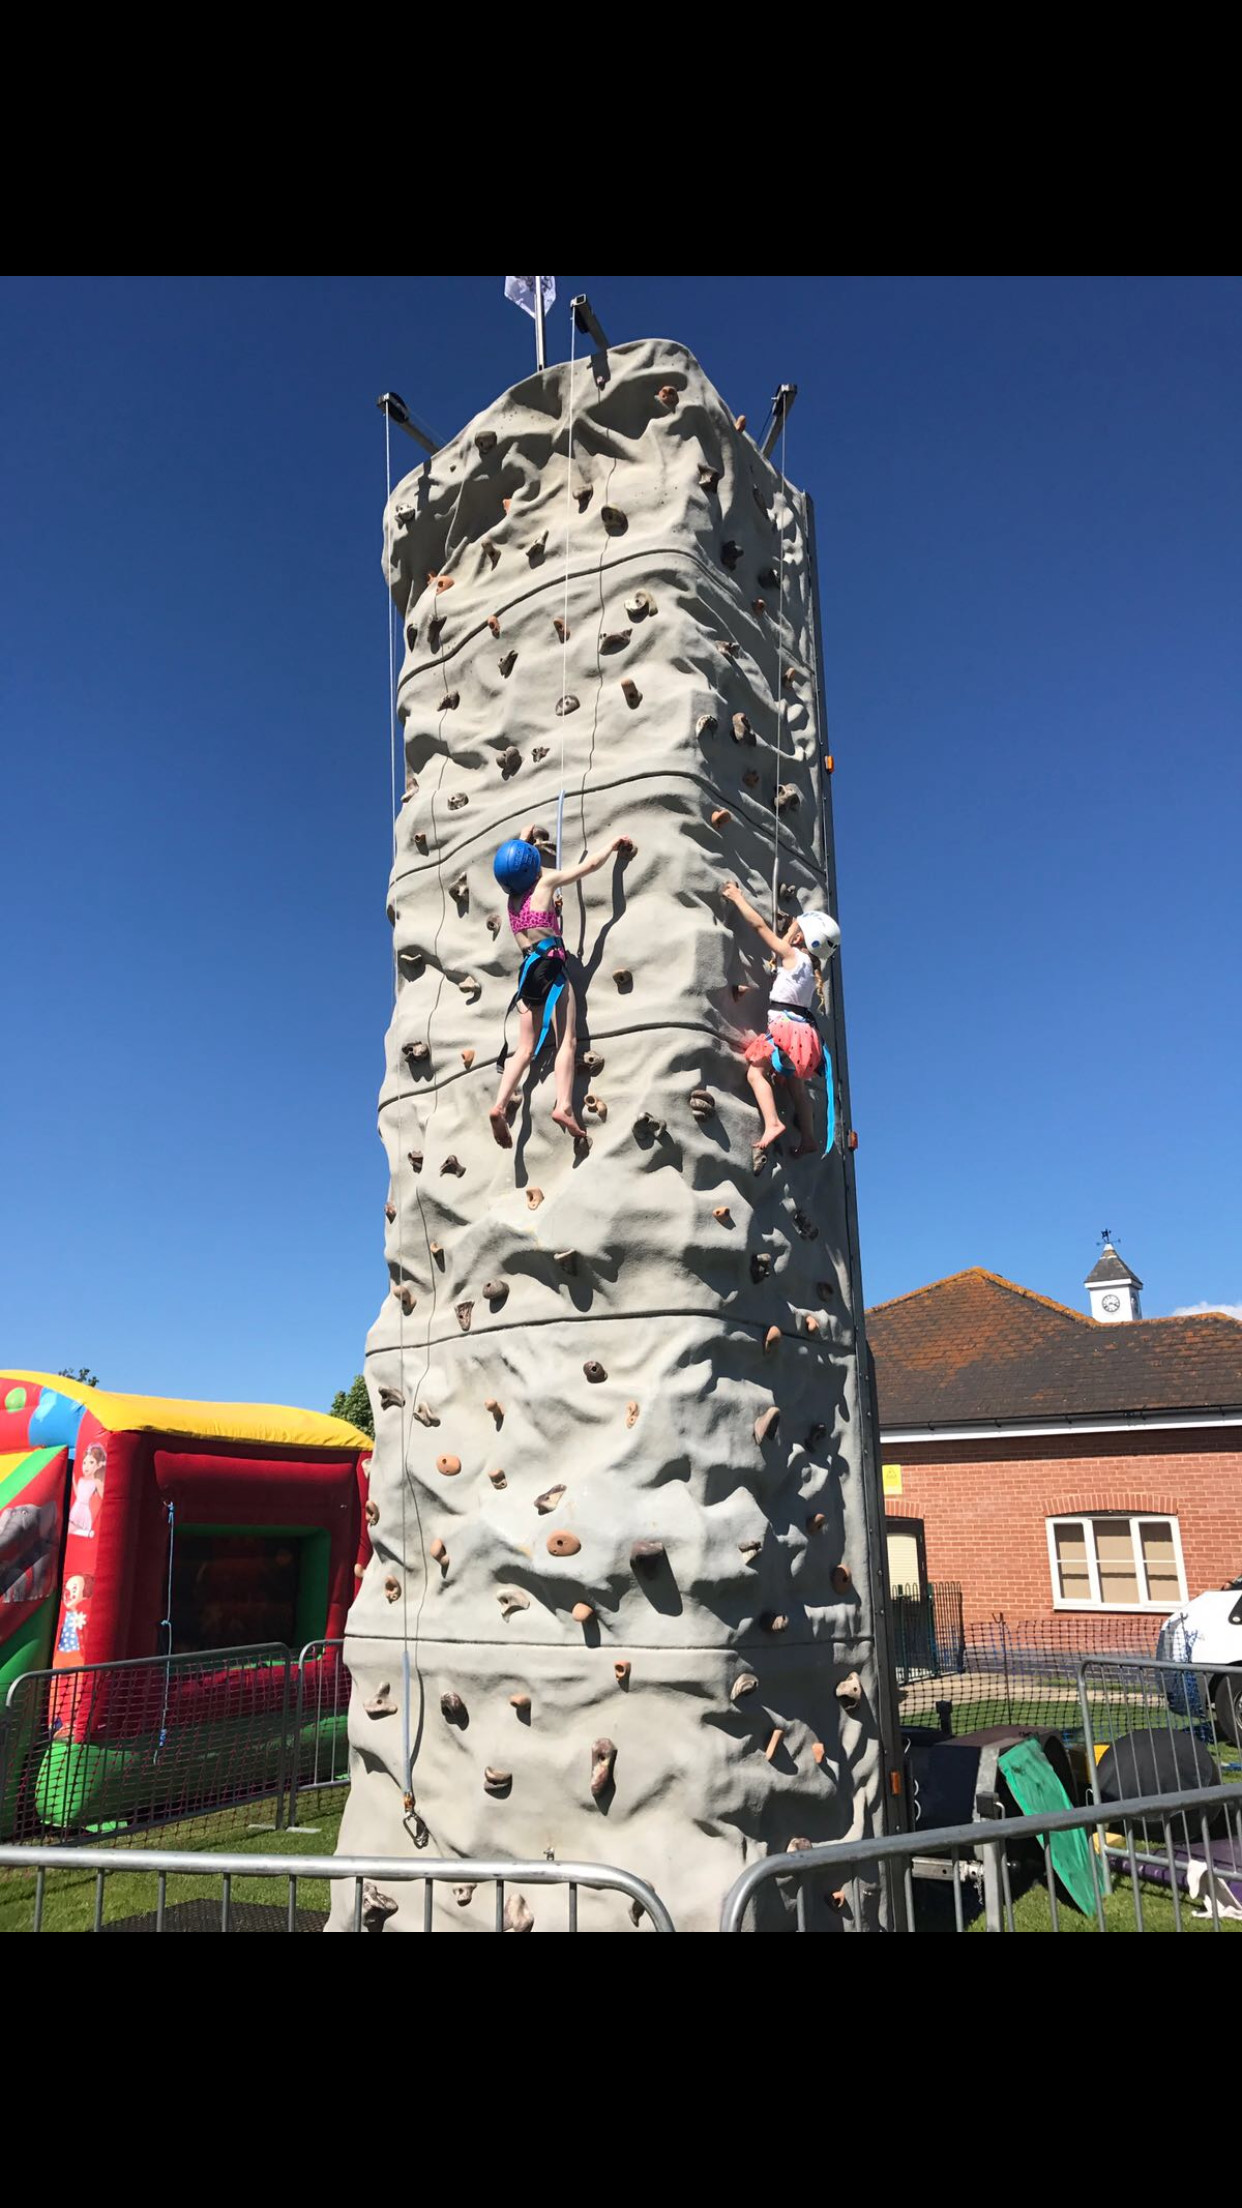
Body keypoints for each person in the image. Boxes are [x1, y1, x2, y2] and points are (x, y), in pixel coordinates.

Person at [490, 829, 633, 1147]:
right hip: (551, 967)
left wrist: (523, 841)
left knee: (524, 1049)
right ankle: (564, 1106)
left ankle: (499, 1104)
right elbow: (590, 866)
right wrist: (611, 845)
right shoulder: (545, 883)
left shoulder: (513, 901)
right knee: (566, 1041)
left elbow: (517, 864)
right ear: (532, 865)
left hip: (528, 973)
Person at [721, 880, 840, 1158]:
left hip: (786, 1030)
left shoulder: (791, 955)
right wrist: (794, 929)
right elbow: (781, 952)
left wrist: (737, 897)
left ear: (803, 938)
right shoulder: (811, 968)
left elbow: (760, 928)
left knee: (755, 1072)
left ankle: (773, 1122)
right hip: (805, 1034)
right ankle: (809, 1137)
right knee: (797, 1087)